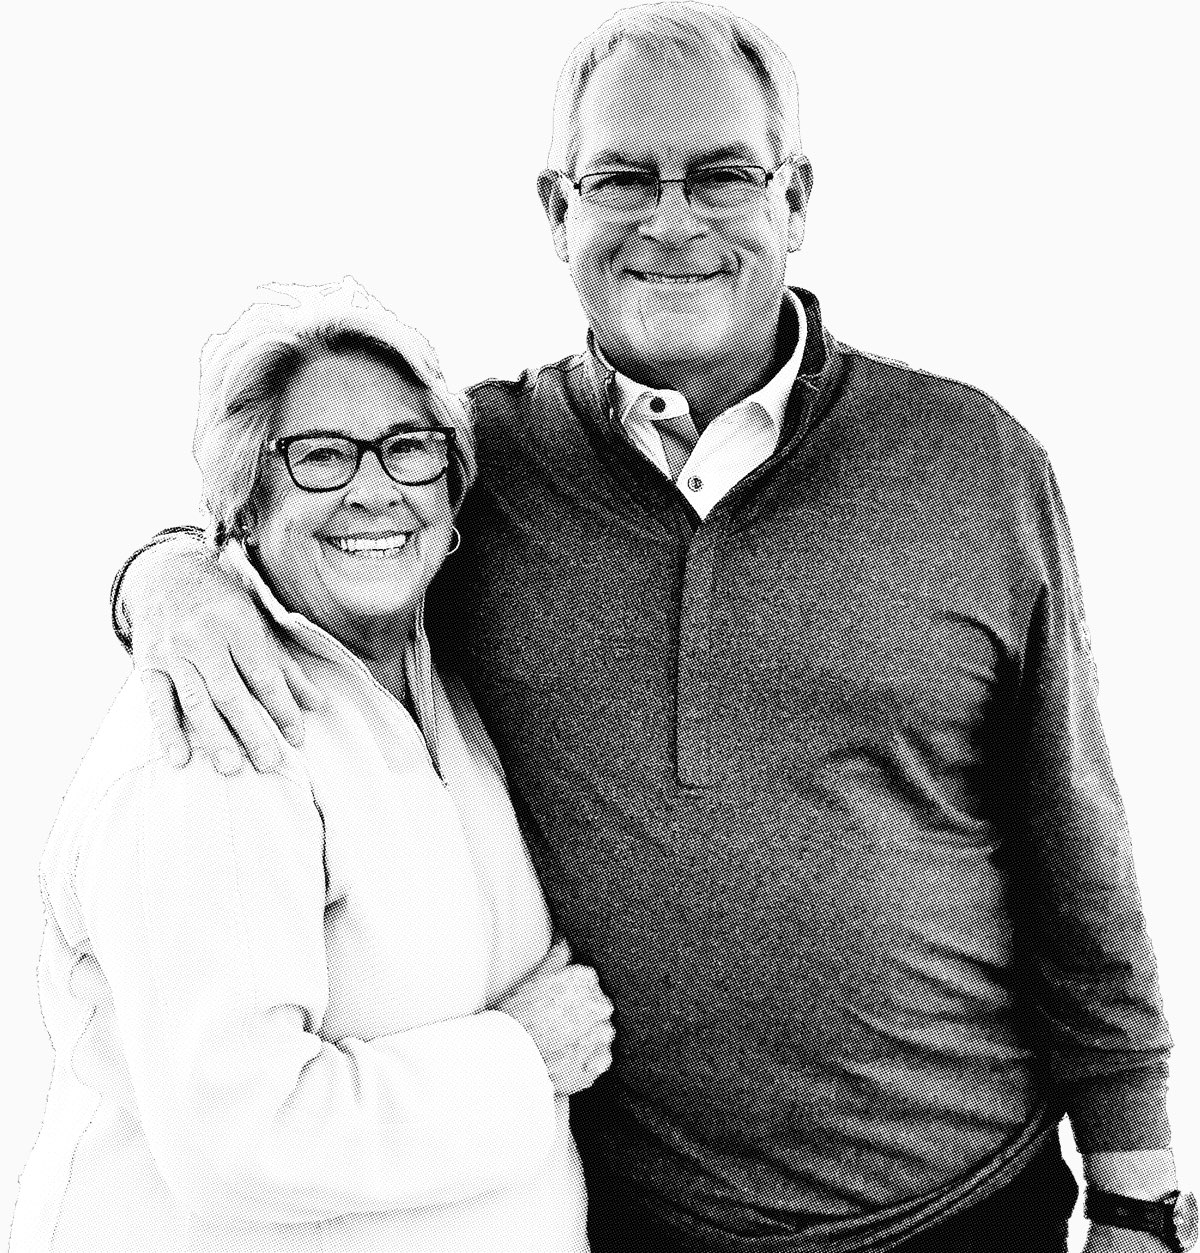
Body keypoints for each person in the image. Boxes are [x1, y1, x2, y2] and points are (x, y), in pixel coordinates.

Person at [105, 6, 1193, 1253]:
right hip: (634, 1220)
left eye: (722, 173)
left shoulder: (974, 462)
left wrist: (1137, 1190)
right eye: (620, 176)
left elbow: (1075, 839)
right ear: (554, 211)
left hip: (964, 1207)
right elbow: (316, 513)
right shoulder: (476, 470)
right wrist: (168, 576)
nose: (671, 220)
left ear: (795, 200)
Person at [11, 279, 615, 1253]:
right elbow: (244, 1137)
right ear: (245, 501)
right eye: (321, 455)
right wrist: (521, 1059)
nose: (374, 489)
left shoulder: (435, 686)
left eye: (408, 448)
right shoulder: (215, 739)